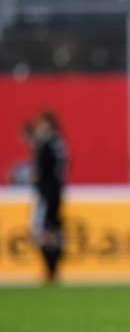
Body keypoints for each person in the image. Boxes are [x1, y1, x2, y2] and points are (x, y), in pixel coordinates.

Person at [30, 111, 68, 283]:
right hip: (49, 192)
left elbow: (45, 169)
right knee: (48, 230)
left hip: (48, 193)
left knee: (45, 229)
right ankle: (50, 266)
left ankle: (51, 266)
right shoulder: (52, 143)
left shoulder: (49, 142)